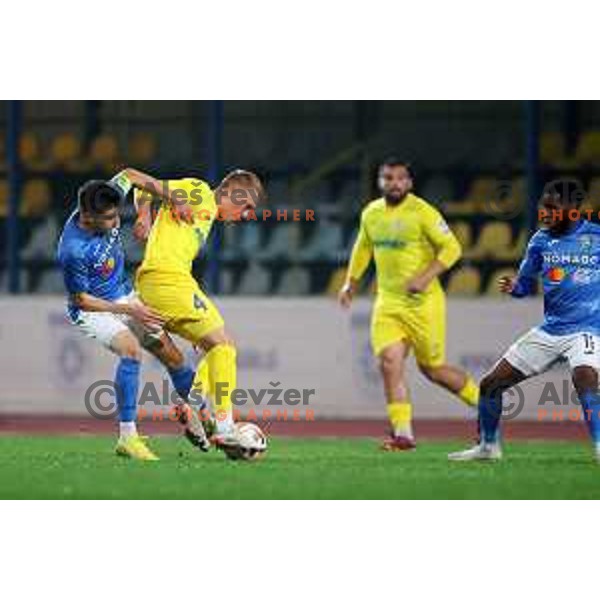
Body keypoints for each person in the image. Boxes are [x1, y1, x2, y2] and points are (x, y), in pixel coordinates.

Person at [57, 177, 209, 461]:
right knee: (131, 350)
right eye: (109, 218)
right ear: (88, 217)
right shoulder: (72, 249)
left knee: (174, 358)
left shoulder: (109, 193)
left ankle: (207, 420)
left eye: (118, 215)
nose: (116, 224)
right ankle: (127, 438)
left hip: (125, 296)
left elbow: (131, 173)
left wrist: (157, 205)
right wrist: (130, 311)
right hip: (94, 310)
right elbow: (80, 299)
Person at [449, 181, 600, 462]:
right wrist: (516, 287)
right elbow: (526, 285)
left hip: (588, 328)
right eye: (543, 205)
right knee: (491, 384)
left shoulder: (596, 236)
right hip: (552, 328)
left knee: (586, 378)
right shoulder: (540, 241)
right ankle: (488, 447)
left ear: (573, 209)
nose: (545, 212)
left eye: (553, 207)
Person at [118, 167, 265, 452]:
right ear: (235, 192)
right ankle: (224, 426)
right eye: (247, 206)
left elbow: (147, 190)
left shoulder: (206, 210)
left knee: (217, 348)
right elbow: (137, 180)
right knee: (225, 346)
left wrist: (148, 213)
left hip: (159, 285)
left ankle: (192, 407)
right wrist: (145, 214)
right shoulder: (198, 191)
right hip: (167, 281)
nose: (247, 215)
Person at [339, 158, 479, 450]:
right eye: (388, 178)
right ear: (380, 181)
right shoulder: (371, 213)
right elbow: (363, 247)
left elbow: (453, 248)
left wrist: (426, 277)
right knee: (389, 363)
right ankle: (403, 435)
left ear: (410, 183)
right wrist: (351, 282)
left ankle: (487, 407)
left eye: (401, 178)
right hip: (388, 303)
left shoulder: (422, 212)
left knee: (433, 370)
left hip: (423, 304)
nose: (395, 183)